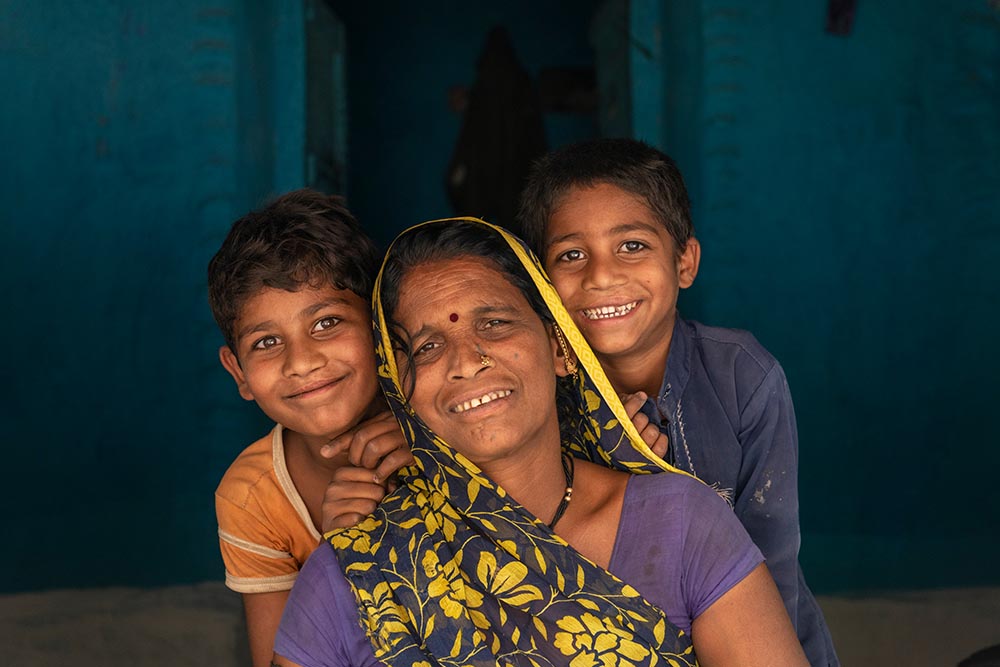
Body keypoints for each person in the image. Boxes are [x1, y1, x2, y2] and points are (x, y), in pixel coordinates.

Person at [272, 218, 808, 666]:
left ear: (560, 348)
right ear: (400, 391)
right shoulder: (360, 572)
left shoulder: (683, 524)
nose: (465, 362)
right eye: (429, 346)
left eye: (496, 324)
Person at [516, 137, 838, 665]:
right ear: (542, 282)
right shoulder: (533, 397)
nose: (601, 275)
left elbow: (771, 554)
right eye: (571, 255)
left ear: (684, 262)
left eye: (632, 246)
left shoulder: (742, 376)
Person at [207, 189, 412, 667]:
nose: (301, 362)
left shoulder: (452, 417)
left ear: (380, 327)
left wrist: (436, 444)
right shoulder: (253, 498)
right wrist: (338, 555)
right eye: (268, 341)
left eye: (327, 323)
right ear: (238, 374)